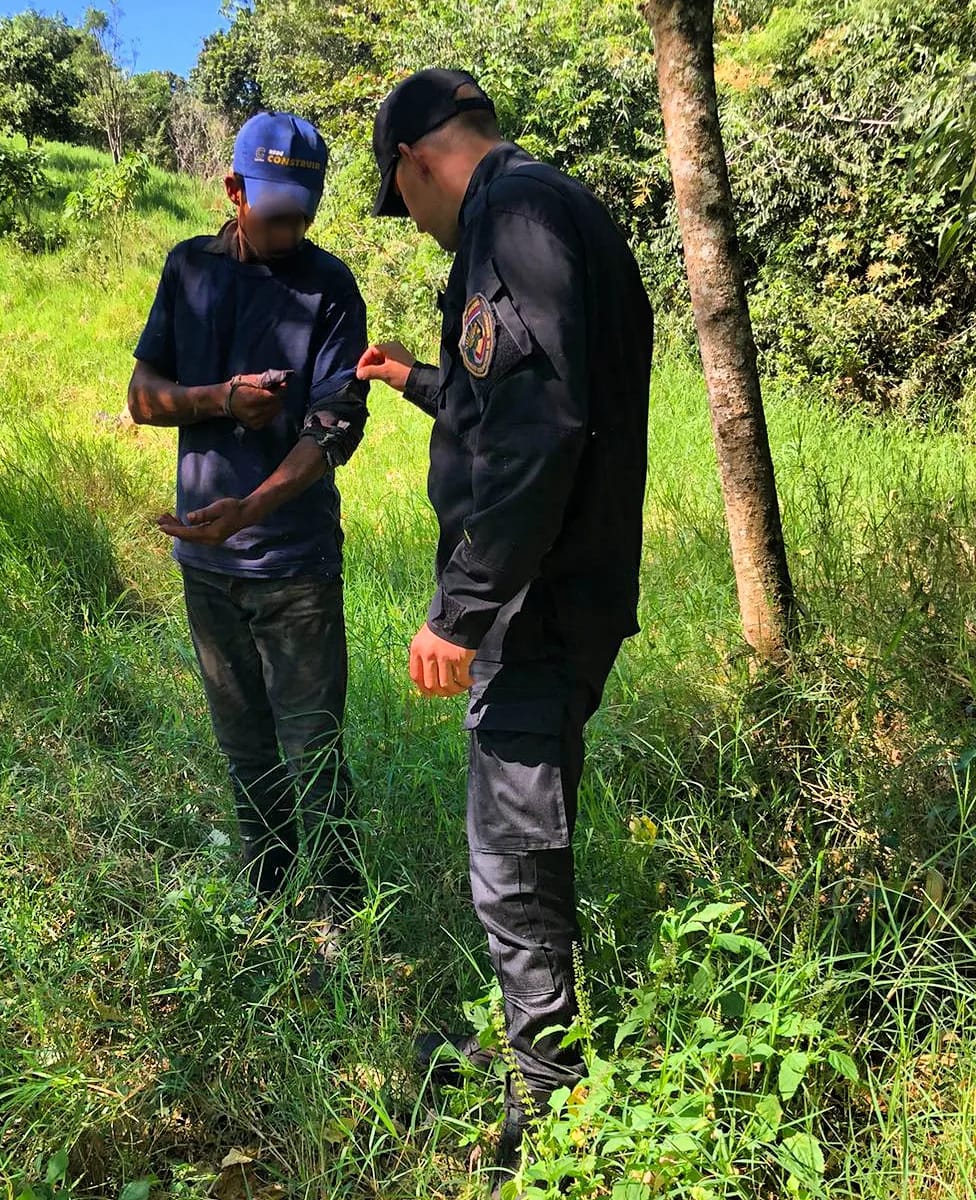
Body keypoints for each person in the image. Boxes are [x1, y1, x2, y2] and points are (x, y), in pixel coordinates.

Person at [357, 69, 653, 1185]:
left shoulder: (509, 218)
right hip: (563, 582)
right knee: (514, 833)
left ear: (416, 164)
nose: (420, 228)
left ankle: (551, 1103)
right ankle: (534, 1047)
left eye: (407, 205)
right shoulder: (557, 208)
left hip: (538, 598)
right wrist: (420, 379)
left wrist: (461, 608)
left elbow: (537, 435)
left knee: (511, 851)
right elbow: (522, 398)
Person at [128, 111, 370, 915]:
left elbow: (334, 428)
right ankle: (268, 901)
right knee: (245, 752)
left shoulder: (329, 287)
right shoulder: (189, 270)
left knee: (315, 754)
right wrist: (220, 400)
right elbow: (142, 398)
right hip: (207, 569)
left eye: (305, 211)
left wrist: (254, 508)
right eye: (275, 212)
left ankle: (341, 920)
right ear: (233, 191)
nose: (291, 228)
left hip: (294, 568)